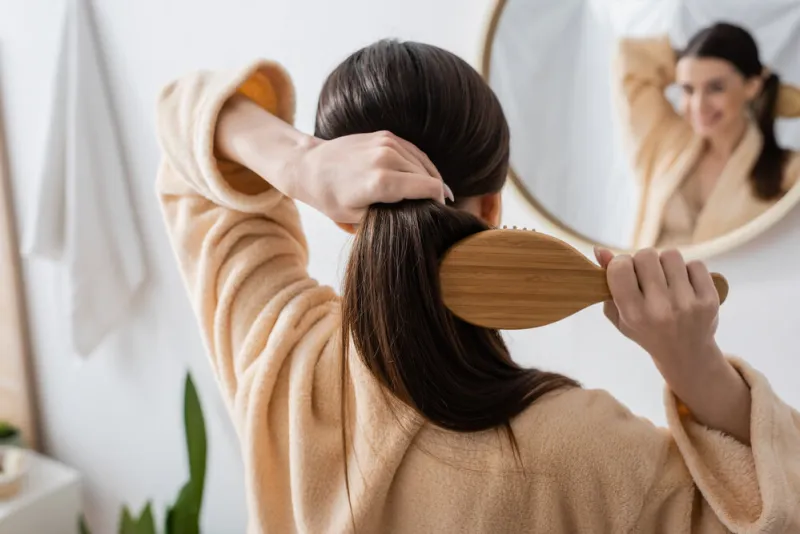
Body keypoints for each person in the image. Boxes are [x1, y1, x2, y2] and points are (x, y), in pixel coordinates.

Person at [156, 39, 800, 533]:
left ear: (339, 211)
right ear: (492, 207)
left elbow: (185, 129)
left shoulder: (283, 363)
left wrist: (298, 161)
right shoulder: (586, 454)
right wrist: (697, 368)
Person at [615, 22, 800, 248]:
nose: (698, 106)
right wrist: (691, 59)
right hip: (642, 283)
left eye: (715, 88)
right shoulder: (663, 139)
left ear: (752, 86)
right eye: (688, 89)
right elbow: (630, 56)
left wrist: (778, 96)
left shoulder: (788, 171)